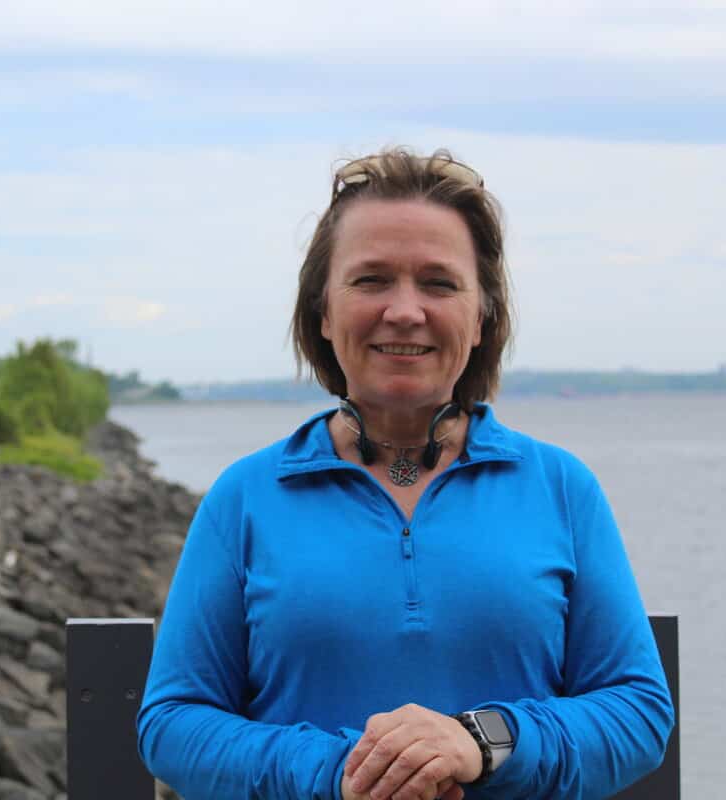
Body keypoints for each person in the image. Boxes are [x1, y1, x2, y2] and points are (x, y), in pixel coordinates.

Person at [137, 148, 673, 799]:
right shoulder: (244, 499)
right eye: (371, 280)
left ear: (482, 319)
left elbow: (639, 711)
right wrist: (340, 774)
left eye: (439, 283)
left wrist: (482, 740)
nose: (405, 310)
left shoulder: (562, 490)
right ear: (323, 314)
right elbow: (172, 724)